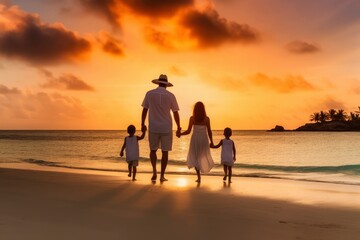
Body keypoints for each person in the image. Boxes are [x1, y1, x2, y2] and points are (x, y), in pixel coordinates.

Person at [141, 74, 181, 182]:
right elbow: (175, 112)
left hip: (153, 126)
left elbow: (145, 109)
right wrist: (178, 127)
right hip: (166, 127)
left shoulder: (149, 94)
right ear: (166, 85)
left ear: (158, 83)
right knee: (165, 152)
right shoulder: (171, 95)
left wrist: (142, 124)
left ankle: (154, 171)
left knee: (153, 150)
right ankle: (162, 175)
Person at [180, 102, 214, 183]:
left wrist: (180, 134)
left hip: (195, 139)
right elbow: (209, 131)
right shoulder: (206, 119)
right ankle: (201, 172)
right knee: (201, 156)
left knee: (196, 157)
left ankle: (199, 177)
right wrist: (211, 141)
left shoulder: (192, 118)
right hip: (204, 139)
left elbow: (188, 131)